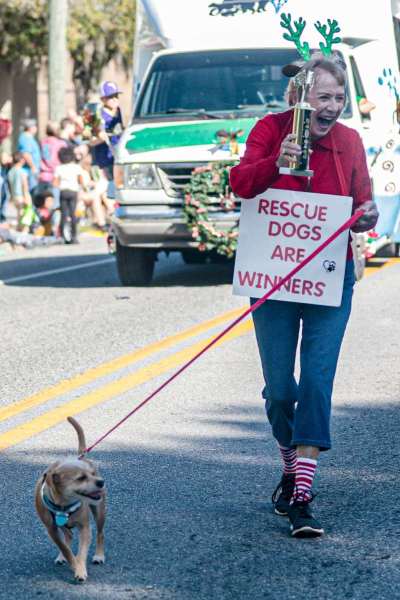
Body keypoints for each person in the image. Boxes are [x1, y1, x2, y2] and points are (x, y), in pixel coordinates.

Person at [230, 55, 378, 538]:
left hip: (329, 277)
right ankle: (290, 462)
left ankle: (301, 495)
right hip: (272, 277)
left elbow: (362, 203)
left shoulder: (350, 141)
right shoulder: (270, 130)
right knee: (280, 390)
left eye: (339, 98)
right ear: (299, 98)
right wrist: (277, 161)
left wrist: (369, 215)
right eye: (324, 98)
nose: (333, 107)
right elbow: (241, 186)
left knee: (316, 379)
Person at [91, 81, 124, 201]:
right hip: (102, 162)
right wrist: (101, 137)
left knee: (116, 194)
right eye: (111, 97)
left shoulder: (119, 111)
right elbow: (89, 141)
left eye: (116, 96)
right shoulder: (95, 113)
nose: (115, 99)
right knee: (105, 194)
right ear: (103, 99)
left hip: (118, 158)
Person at [53, 146, 84, 244]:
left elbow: (55, 183)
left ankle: (62, 236)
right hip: (73, 191)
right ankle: (74, 236)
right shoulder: (76, 167)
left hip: (63, 191)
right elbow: (80, 181)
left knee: (64, 214)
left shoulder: (59, 168)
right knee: (72, 214)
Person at [7, 151, 36, 232]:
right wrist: (26, 197)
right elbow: (25, 185)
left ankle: (18, 232)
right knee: (26, 215)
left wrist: (11, 197)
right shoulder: (22, 171)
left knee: (19, 215)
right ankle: (23, 233)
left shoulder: (10, 172)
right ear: (21, 160)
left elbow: (9, 186)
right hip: (22, 196)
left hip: (14, 196)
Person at [17, 118, 41, 192]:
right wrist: (33, 167)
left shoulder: (29, 138)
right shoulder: (25, 138)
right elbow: (26, 154)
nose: (36, 128)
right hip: (29, 171)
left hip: (32, 170)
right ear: (30, 128)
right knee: (31, 193)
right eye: (35, 126)